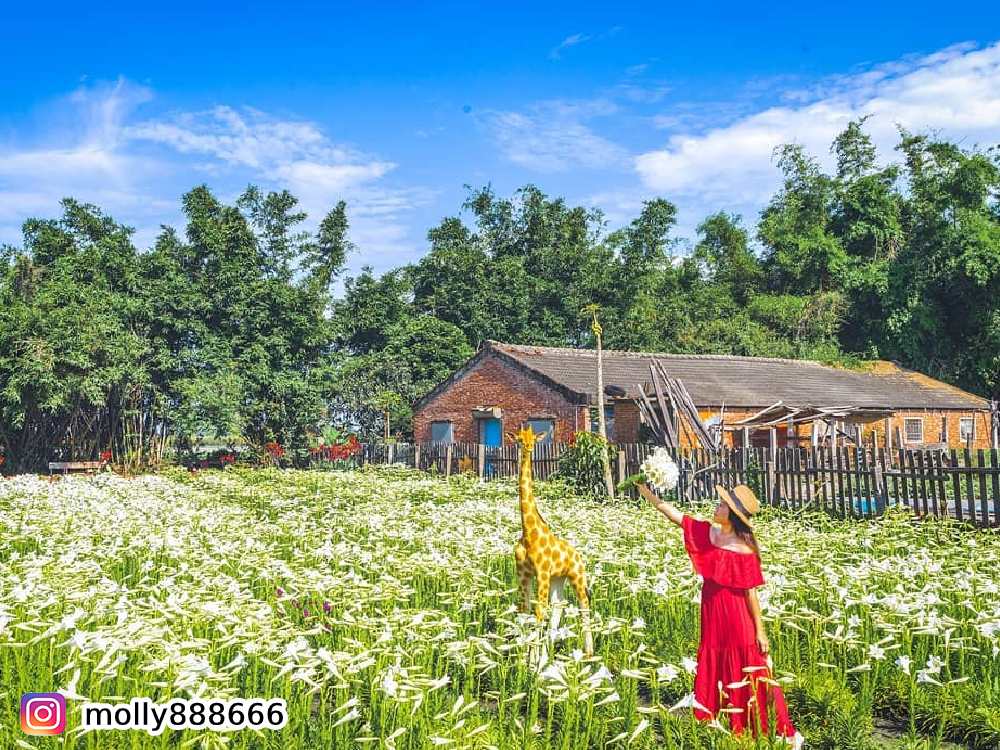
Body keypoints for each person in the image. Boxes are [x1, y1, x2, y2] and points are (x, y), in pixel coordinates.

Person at [638, 481, 803, 747]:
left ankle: (770, 727)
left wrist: (760, 631)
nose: (718, 505)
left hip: (738, 619)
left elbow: (751, 594)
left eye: (723, 504)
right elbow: (675, 516)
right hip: (713, 615)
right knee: (716, 658)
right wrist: (648, 494)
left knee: (749, 666)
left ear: (733, 515)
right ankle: (721, 719)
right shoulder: (709, 533)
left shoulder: (745, 549)